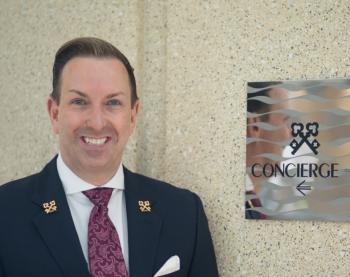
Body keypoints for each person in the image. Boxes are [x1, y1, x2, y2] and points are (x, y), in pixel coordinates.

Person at [0, 37, 218, 277]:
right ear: (54, 113)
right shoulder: (5, 213)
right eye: (79, 102)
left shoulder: (183, 213)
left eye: (113, 102)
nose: (97, 123)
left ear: (133, 115)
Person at [246, 82, 291, 219]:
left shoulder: (253, 206)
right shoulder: (246, 208)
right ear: (255, 126)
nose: (290, 135)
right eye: (285, 121)